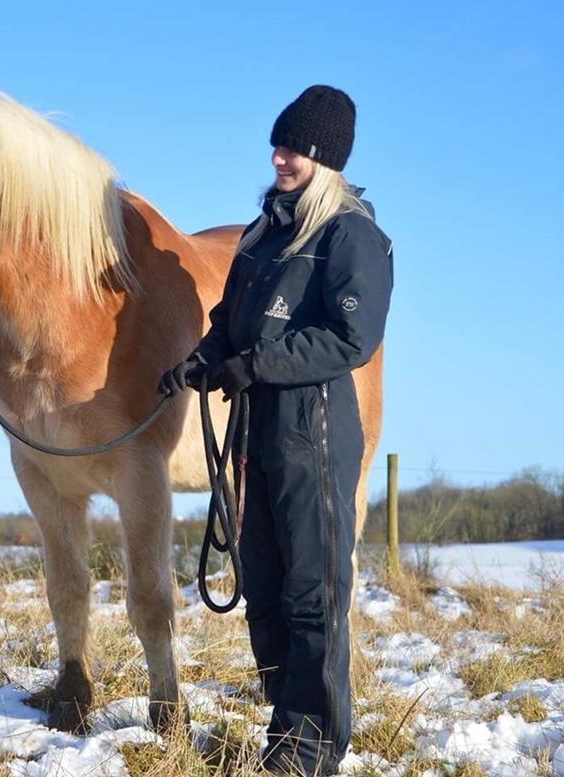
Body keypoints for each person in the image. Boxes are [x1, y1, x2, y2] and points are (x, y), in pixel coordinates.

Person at [159, 85, 394, 775]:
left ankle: (310, 747)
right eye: (277, 145)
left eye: (290, 147)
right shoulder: (265, 235)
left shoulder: (351, 235)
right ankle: (286, 726)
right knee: (263, 586)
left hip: (314, 433)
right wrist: (199, 363)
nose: (277, 157)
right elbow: (229, 319)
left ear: (321, 156)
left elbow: (350, 338)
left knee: (311, 592)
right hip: (258, 433)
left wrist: (254, 365)